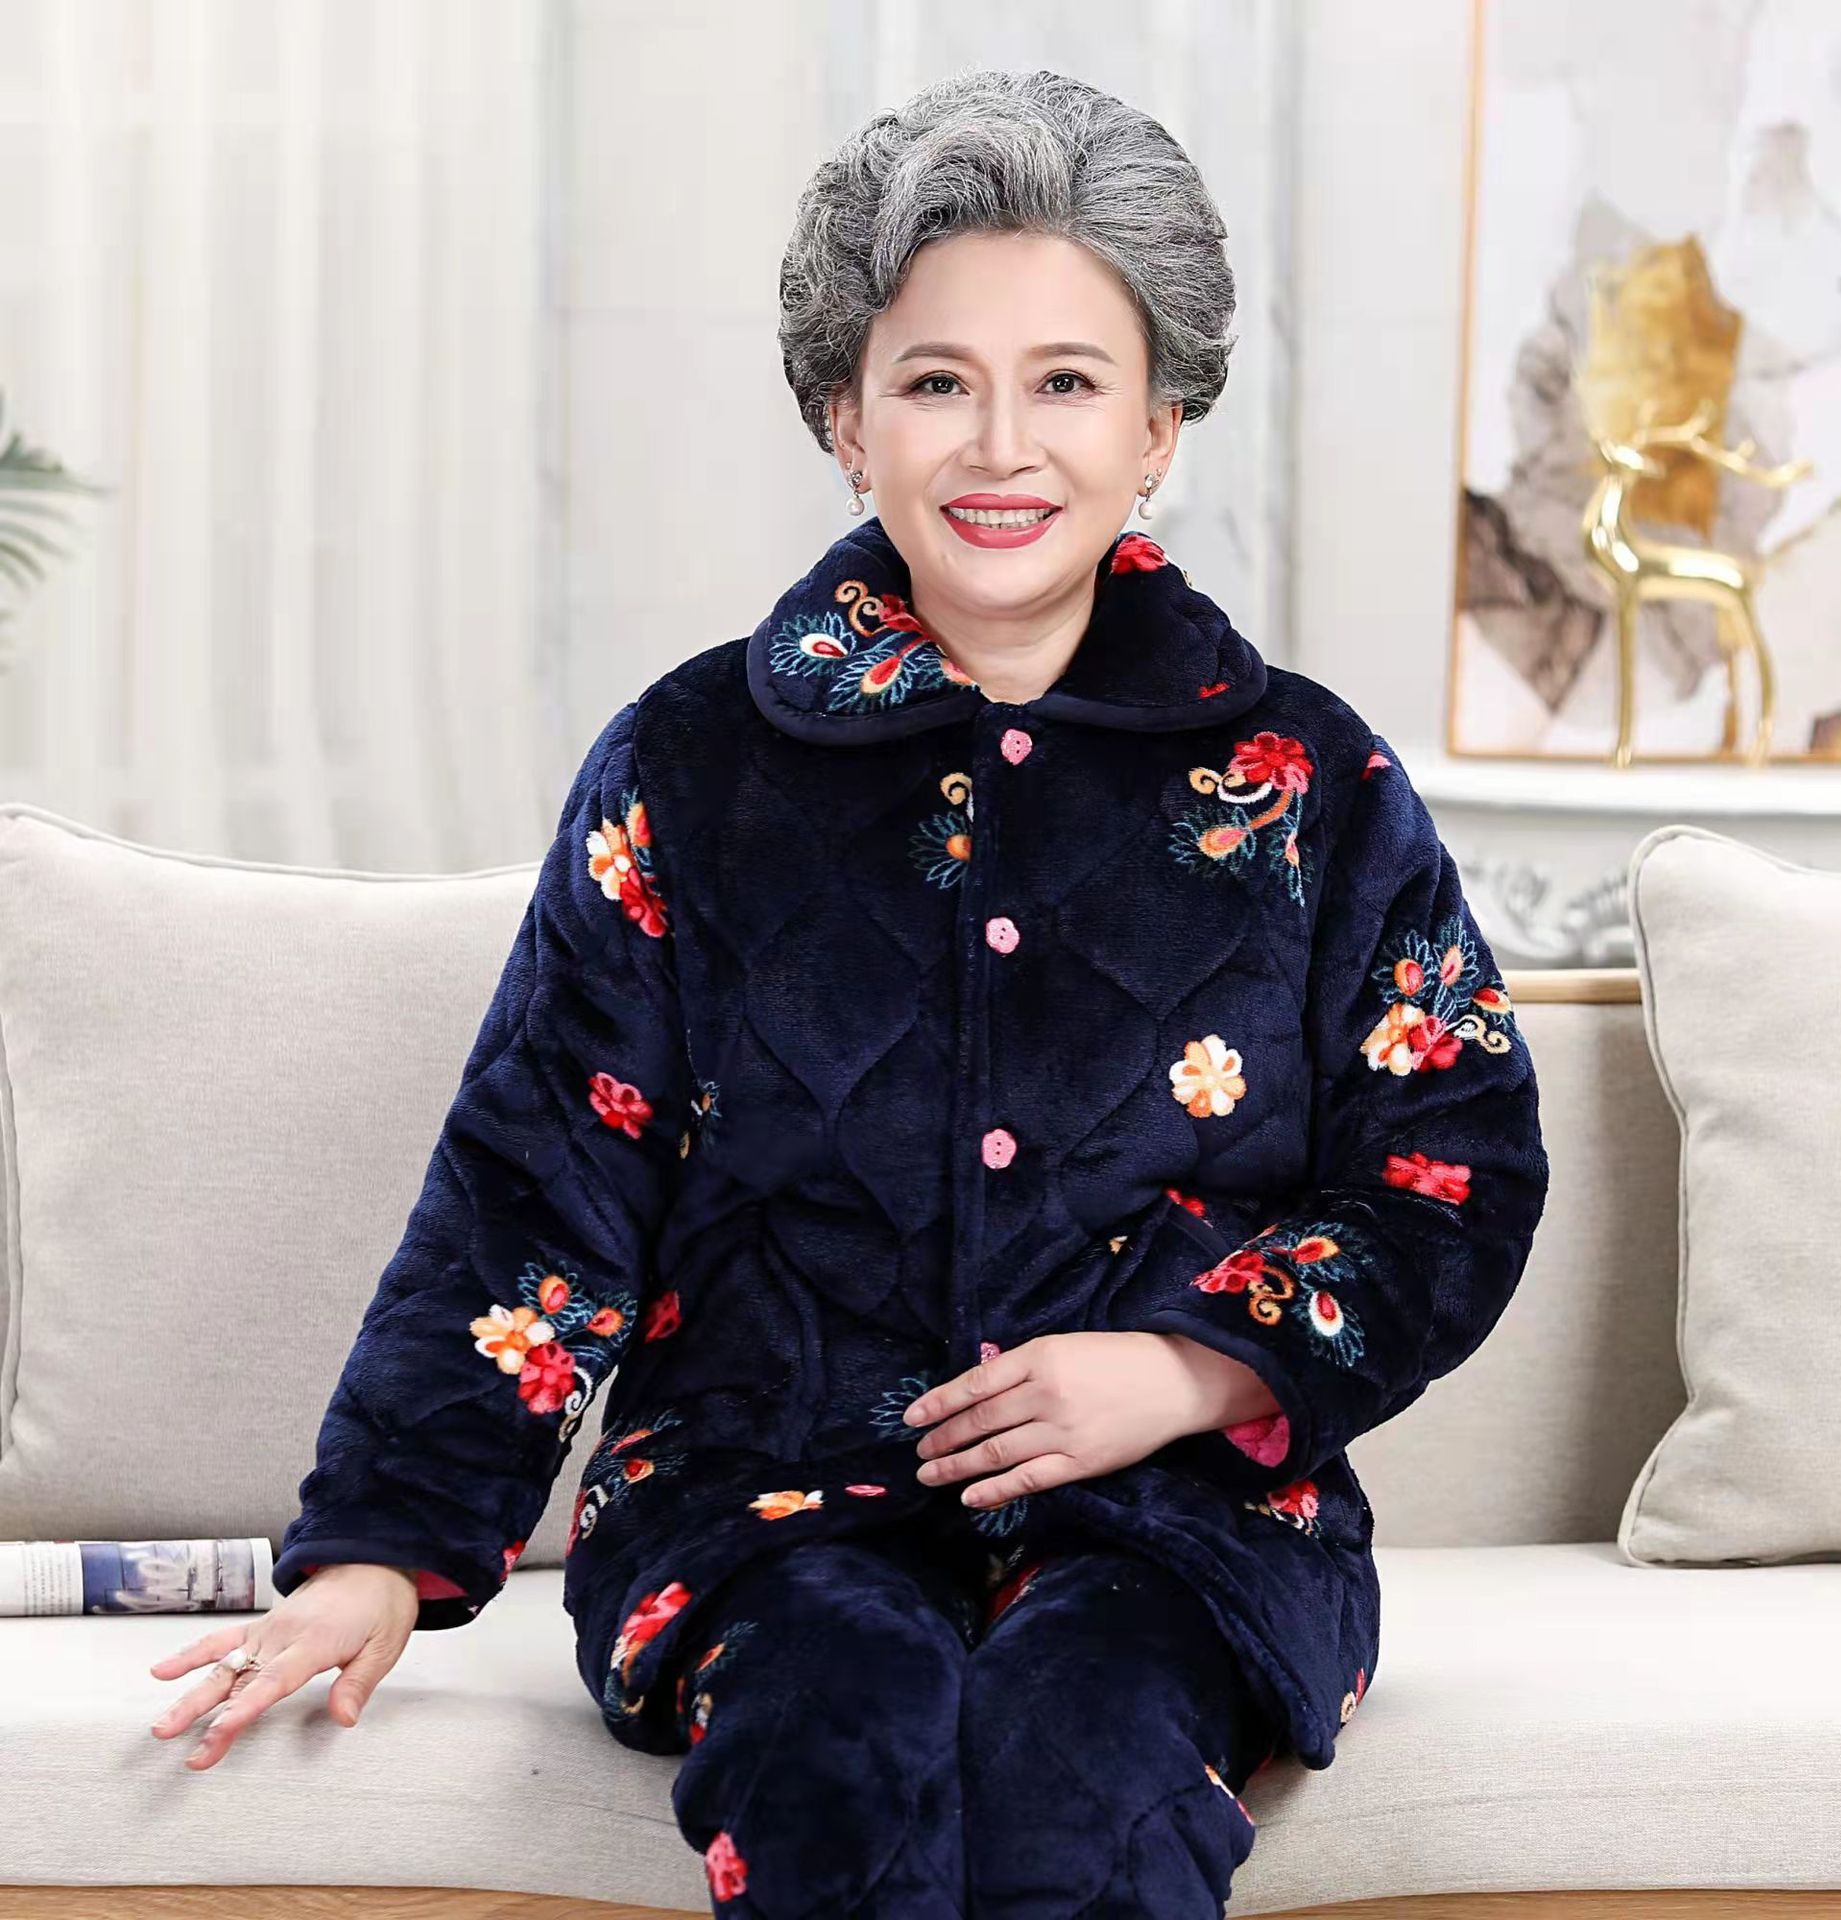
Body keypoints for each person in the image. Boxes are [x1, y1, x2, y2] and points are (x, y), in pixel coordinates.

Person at [147, 67, 1551, 1918]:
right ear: (845, 420)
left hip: (1184, 1522)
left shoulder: (1311, 783)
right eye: (936, 383)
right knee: (838, 1739)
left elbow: (1453, 1172)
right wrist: (377, 1552)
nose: (1001, 447)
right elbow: (541, 1180)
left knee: (1085, 1760)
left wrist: (1189, 1368)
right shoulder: (686, 764)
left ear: (1159, 429)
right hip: (760, 1503)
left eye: (1068, 383)